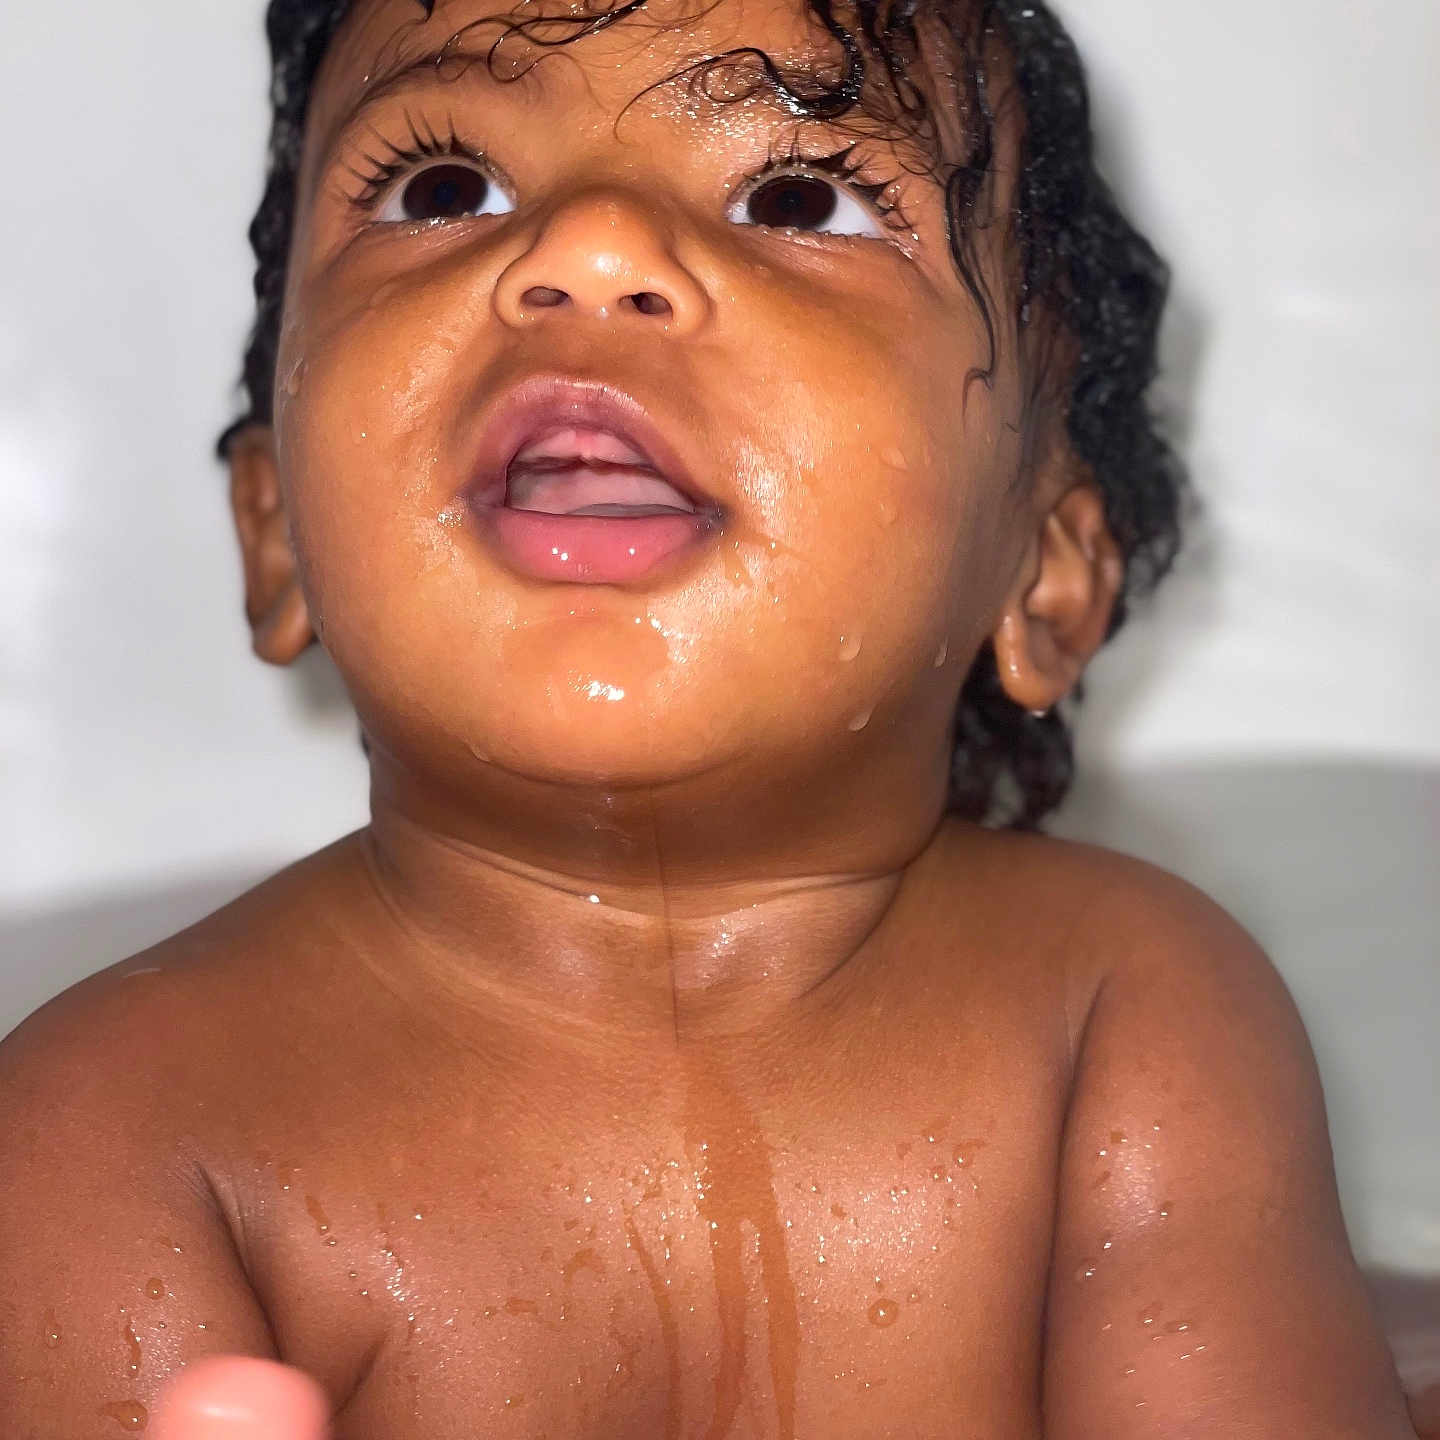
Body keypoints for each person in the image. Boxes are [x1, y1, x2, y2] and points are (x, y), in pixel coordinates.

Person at [0, 0, 1423, 1434]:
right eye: (445, 189)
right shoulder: (104, 1140)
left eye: (799, 196)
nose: (592, 244)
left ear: (1042, 573)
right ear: (274, 531)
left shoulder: (1127, 1015)